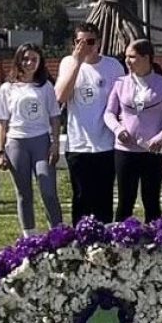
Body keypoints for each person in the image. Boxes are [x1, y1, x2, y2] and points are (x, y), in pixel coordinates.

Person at [104, 38, 162, 222]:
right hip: (125, 151)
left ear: (146, 57)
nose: (127, 61)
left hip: (152, 151)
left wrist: (161, 136)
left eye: (132, 57)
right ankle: (121, 241)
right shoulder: (120, 83)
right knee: (125, 200)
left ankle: (155, 242)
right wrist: (118, 129)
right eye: (126, 57)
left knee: (151, 200)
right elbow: (109, 112)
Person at [55, 22, 123, 223]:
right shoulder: (68, 62)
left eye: (91, 42)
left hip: (106, 143)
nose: (86, 46)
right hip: (79, 143)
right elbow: (60, 96)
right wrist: (77, 62)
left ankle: (104, 245)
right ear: (73, 44)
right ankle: (82, 241)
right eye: (80, 42)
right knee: (81, 198)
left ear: (99, 43)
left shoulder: (113, 66)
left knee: (104, 199)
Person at [0, 42, 62, 236]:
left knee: (48, 190)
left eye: (34, 59)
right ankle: (29, 237)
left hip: (41, 141)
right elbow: (2, 123)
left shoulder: (46, 86)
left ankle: (58, 234)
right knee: (24, 193)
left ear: (40, 61)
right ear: (18, 60)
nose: (30, 63)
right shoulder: (7, 88)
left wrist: (55, 143)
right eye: (25, 59)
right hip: (16, 142)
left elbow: (55, 117)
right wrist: (1, 151)